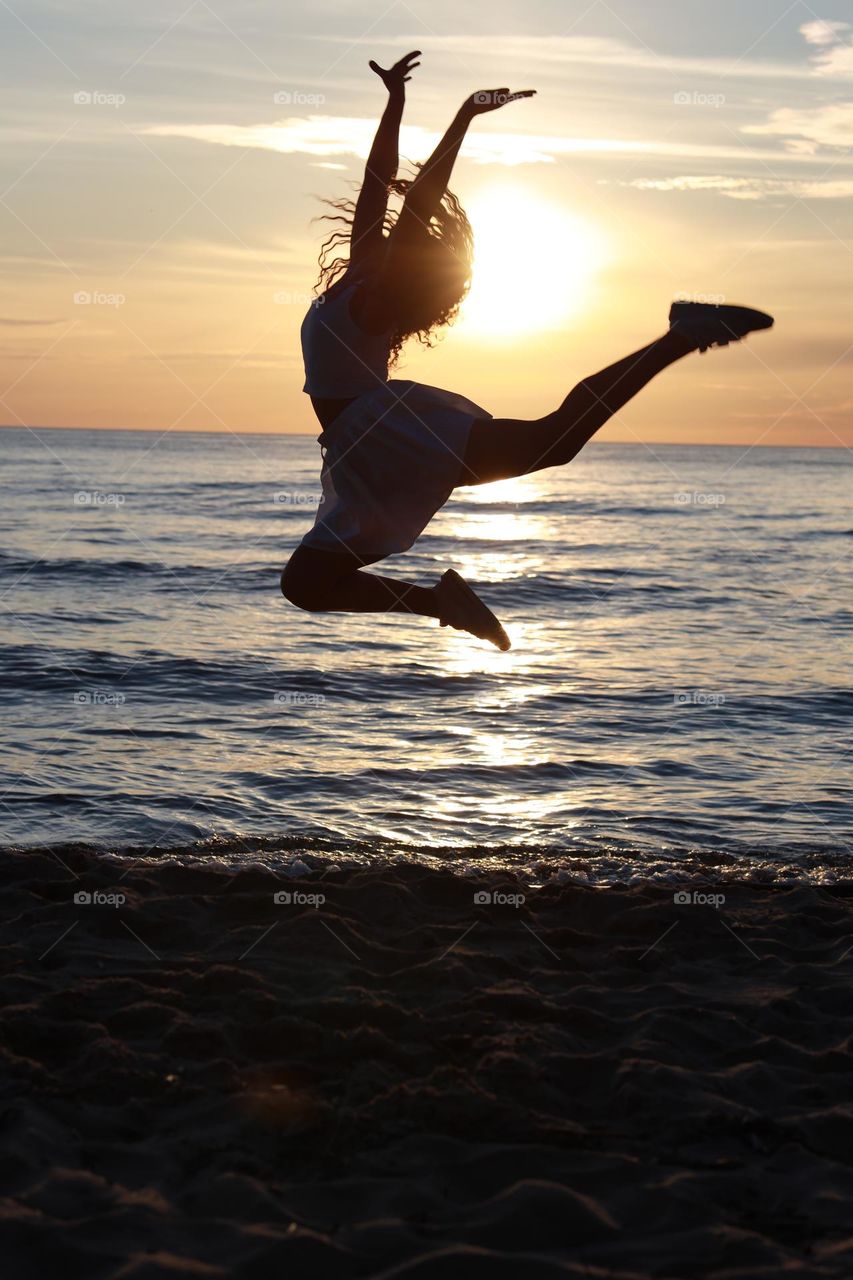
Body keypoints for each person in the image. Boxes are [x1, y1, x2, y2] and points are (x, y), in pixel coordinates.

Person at [281, 51, 773, 650]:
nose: (388, 228)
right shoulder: (360, 277)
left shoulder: (372, 299)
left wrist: (464, 117)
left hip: (382, 436)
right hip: (364, 444)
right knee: (306, 585)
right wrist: (397, 101)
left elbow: (418, 200)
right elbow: (378, 178)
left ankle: (681, 336)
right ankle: (440, 603)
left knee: (552, 442)